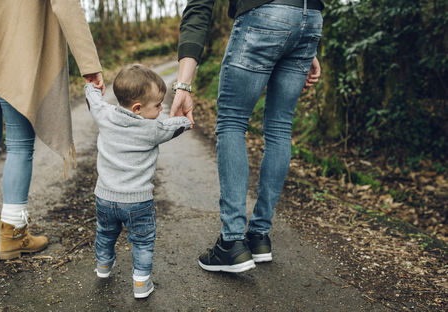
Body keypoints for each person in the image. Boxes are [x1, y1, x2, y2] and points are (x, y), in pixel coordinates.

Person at [171, 0, 324, 272]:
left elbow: (199, 7)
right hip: (309, 17)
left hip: (265, 17)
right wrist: (298, 36)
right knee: (279, 127)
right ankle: (259, 236)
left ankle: (231, 243)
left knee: (232, 121)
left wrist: (183, 84)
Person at [0, 0, 105, 259]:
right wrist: (89, 65)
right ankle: (13, 234)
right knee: (19, 144)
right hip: (12, 56)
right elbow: (66, 6)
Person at [85, 64, 192, 298]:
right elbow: (177, 125)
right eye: (157, 106)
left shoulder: (105, 115)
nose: (160, 110)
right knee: (143, 241)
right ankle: (141, 283)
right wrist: (185, 120)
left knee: (104, 232)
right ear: (137, 108)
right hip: (138, 202)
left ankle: (103, 266)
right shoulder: (152, 129)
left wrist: (91, 87)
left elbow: (94, 101)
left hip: (104, 197)